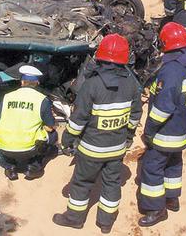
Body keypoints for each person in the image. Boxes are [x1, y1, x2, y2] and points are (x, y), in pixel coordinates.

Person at [53, 34, 142, 234]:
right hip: (117, 149)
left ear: (100, 58)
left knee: (82, 183)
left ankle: (74, 218)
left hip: (91, 150)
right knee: (111, 184)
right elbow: (135, 115)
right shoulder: (132, 85)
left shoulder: (91, 85)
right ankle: (105, 223)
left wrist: (67, 139)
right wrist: (128, 137)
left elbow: (79, 119)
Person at [138, 22, 186, 227]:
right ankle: (172, 199)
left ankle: (156, 209)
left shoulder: (171, 72)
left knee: (152, 166)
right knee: (173, 163)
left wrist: (149, 130)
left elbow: (162, 109)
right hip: (182, 128)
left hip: (166, 132)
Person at [0, 65, 58, 181]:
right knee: (53, 135)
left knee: (8, 137)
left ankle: (10, 168)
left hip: (4, 146)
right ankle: (33, 168)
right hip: (28, 149)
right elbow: (50, 127)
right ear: (37, 83)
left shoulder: (7, 97)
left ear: (22, 82)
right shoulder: (42, 99)